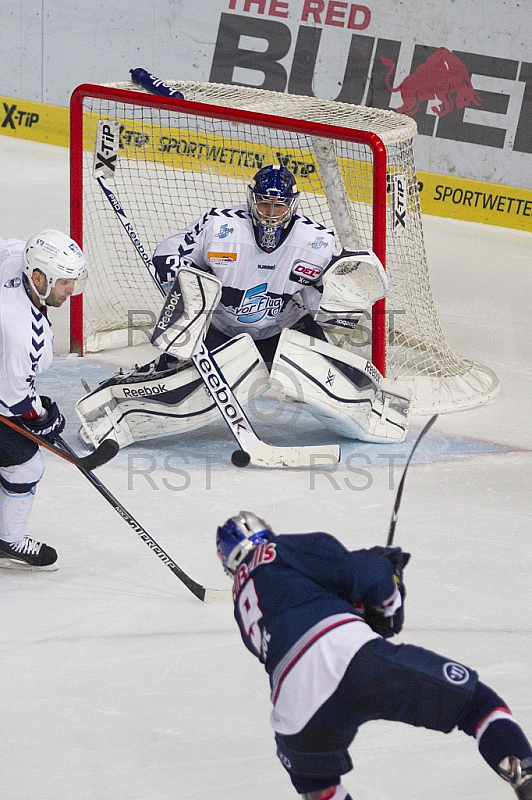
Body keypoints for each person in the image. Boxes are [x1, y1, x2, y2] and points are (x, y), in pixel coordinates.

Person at [76, 165, 410, 450]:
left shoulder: (317, 242)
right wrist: (176, 272)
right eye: (264, 204)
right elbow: (172, 249)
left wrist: (337, 301)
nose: (269, 213)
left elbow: (326, 297)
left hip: (284, 328)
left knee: (331, 381)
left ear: (292, 206)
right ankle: (117, 407)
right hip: (218, 327)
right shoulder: (221, 226)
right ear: (252, 199)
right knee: (180, 385)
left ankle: (375, 407)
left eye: (278, 206)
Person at [215, 511, 532, 800]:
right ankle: (526, 776)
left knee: (321, 790)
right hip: (347, 658)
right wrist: (387, 597)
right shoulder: (279, 549)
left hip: (293, 714)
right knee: (475, 703)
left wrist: (359, 607)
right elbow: (365, 574)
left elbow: (297, 625)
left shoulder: (242, 604)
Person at [0, 230, 87, 569]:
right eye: (65, 283)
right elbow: (14, 403)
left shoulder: (16, 256)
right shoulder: (24, 334)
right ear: (38, 277)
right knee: (26, 463)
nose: (71, 291)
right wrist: (43, 418)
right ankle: (10, 538)